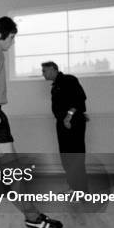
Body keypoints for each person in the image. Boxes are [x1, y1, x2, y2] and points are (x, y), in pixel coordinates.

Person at [0, 17, 63, 228]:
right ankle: (32, 216)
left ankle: (32, 214)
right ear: (2, 34)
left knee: (11, 172)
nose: (12, 43)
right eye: (11, 38)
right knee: (12, 173)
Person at [41, 61, 89, 194]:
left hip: (71, 123)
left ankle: (81, 190)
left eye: (44, 71)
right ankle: (73, 187)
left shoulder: (69, 79)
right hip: (63, 124)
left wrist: (70, 116)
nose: (42, 74)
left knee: (75, 156)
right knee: (66, 157)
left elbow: (79, 98)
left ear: (52, 69)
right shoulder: (55, 86)